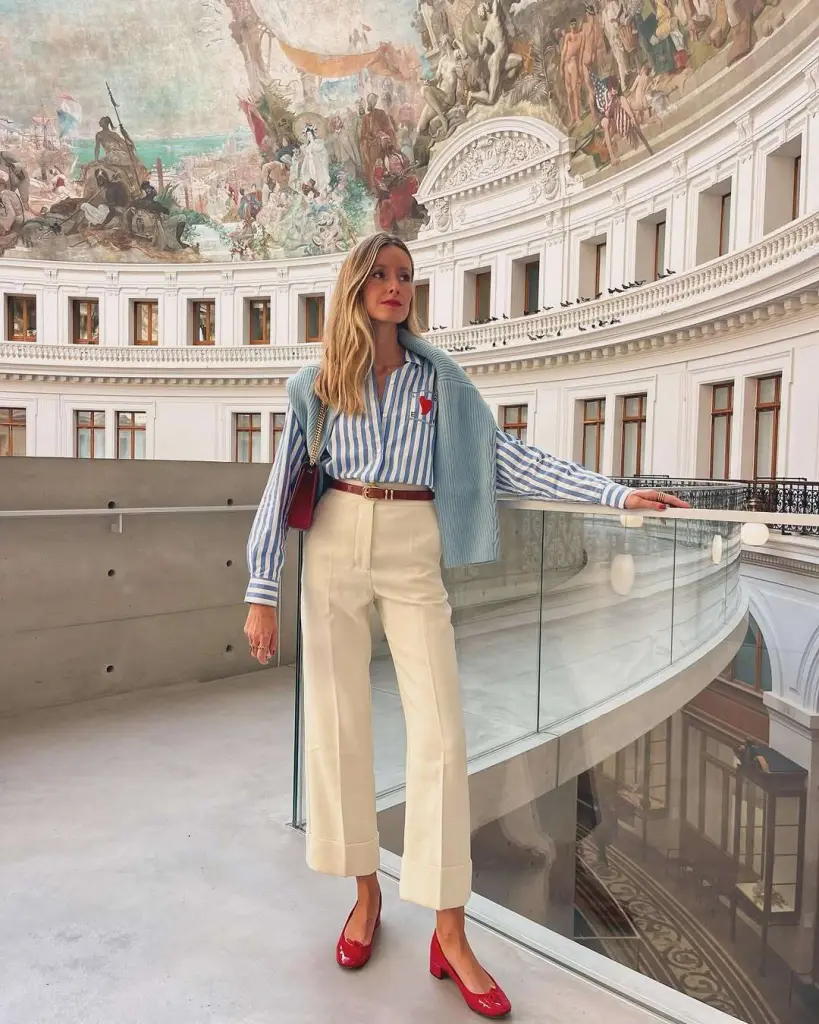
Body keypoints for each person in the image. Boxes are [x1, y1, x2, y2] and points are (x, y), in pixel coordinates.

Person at [244, 232, 688, 1018]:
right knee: (338, 724)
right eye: (380, 274)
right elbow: (284, 485)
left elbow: (504, 460)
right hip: (336, 541)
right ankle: (364, 896)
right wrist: (260, 589)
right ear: (354, 285)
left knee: (441, 736)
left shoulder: (437, 380)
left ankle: (449, 930)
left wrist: (613, 495)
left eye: (405, 277)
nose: (394, 286)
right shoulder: (318, 382)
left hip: (413, 543)